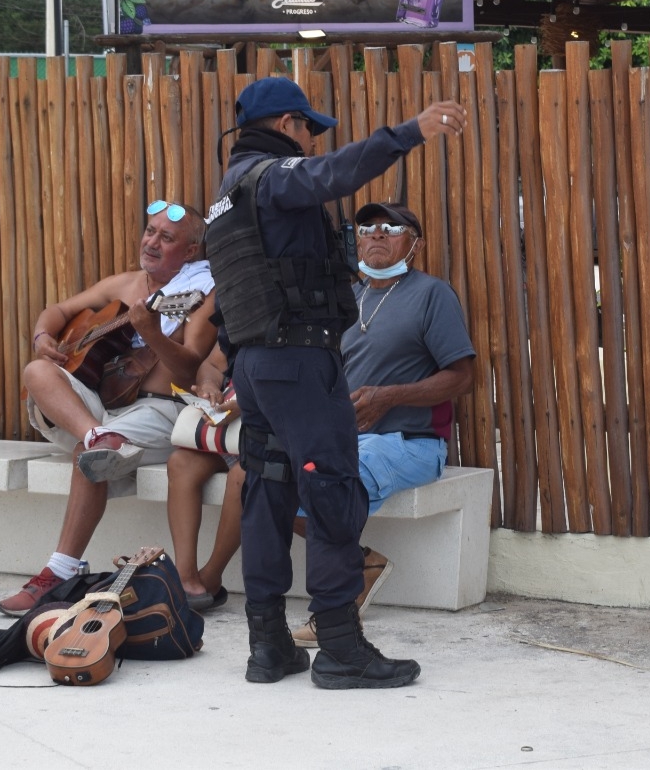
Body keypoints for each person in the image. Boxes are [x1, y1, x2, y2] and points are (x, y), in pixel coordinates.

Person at [205, 76, 465, 689]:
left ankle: (268, 647)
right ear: (286, 125)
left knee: (267, 495)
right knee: (331, 493)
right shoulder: (273, 177)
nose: (313, 145)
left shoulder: (225, 197)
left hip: (256, 365)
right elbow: (332, 177)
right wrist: (409, 133)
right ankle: (342, 648)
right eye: (308, 130)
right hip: (299, 362)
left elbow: (240, 292)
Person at [0, 200, 217, 617]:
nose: (151, 242)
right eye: (150, 231)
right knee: (37, 371)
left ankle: (56, 573)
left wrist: (152, 334)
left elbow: (191, 368)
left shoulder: (201, 293)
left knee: (88, 457)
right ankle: (96, 434)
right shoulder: (126, 283)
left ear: (190, 252)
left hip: (160, 409)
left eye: (166, 237)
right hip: (106, 414)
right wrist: (44, 334)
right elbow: (59, 311)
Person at [290, 201, 475, 646]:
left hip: (410, 441)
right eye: (367, 226)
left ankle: (335, 611)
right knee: (274, 481)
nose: (376, 233)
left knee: (334, 486)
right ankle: (359, 564)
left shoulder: (432, 294)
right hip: (346, 437)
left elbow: (463, 377)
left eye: (391, 227)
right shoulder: (346, 299)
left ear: (414, 244)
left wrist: (388, 397)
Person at [165, 343, 245, 609]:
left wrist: (244, 404)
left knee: (243, 475)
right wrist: (210, 385)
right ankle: (185, 578)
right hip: (230, 429)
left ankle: (211, 576)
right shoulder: (241, 315)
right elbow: (211, 364)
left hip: (270, 430)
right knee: (181, 463)